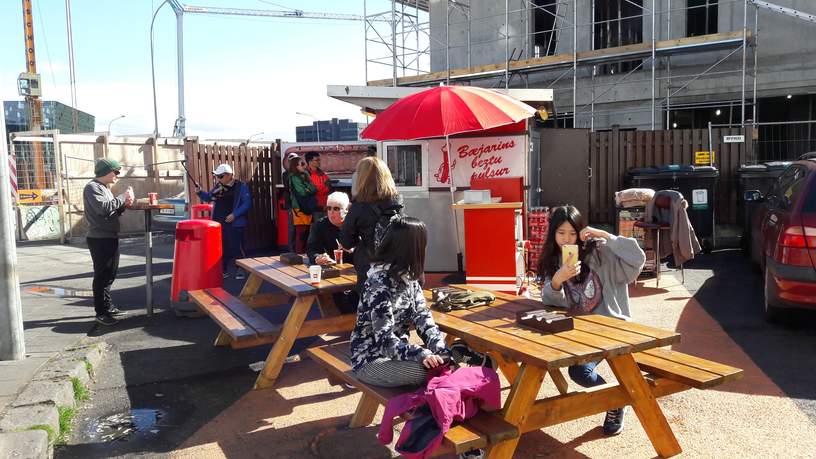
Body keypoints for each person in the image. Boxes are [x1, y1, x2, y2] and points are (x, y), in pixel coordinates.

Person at [538, 205, 646, 436]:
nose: (567, 239)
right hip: (580, 330)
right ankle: (615, 399)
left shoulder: (600, 252)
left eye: (572, 233)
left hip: (611, 326)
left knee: (579, 373)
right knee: (542, 355)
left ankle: (614, 403)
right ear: (553, 235)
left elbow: (638, 259)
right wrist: (557, 281)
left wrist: (606, 235)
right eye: (561, 233)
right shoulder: (556, 260)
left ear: (580, 232)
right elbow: (551, 302)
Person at [350, 217, 449, 387]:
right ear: (412, 248)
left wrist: (440, 349)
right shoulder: (379, 285)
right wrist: (422, 354)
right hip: (370, 360)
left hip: (398, 354)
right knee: (427, 371)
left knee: (443, 363)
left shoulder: (409, 278)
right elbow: (385, 341)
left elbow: (423, 318)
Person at [339, 156, 402, 291]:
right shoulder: (397, 203)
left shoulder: (358, 207)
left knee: (370, 307)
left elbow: (346, 241)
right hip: (396, 265)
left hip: (369, 269)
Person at [83, 158, 134, 326]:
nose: (117, 175)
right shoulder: (92, 188)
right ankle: (101, 312)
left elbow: (111, 212)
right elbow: (103, 208)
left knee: (110, 274)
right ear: (106, 171)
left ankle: (107, 306)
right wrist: (122, 197)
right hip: (99, 238)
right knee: (102, 276)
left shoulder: (104, 188)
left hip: (109, 235)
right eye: (116, 171)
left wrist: (123, 205)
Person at [197, 164, 252, 279]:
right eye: (217, 176)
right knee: (222, 248)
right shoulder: (219, 186)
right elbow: (208, 197)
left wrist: (234, 215)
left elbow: (247, 203)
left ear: (229, 175)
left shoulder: (241, 186)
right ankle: (223, 269)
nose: (218, 179)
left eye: (220, 176)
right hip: (219, 223)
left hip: (234, 222)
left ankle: (241, 269)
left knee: (237, 247)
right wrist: (199, 192)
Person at [306, 191, 357, 314]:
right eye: (328, 208)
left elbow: (369, 247)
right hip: (334, 272)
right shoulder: (320, 225)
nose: (331, 212)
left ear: (346, 209)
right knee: (341, 298)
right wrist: (318, 258)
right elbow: (312, 248)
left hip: (356, 269)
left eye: (336, 208)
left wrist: (355, 250)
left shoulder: (356, 225)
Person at [286, 156, 317, 253]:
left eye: (304, 163)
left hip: (307, 206)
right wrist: (308, 188)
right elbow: (302, 192)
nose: (304, 165)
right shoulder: (294, 177)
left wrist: (307, 188)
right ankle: (299, 255)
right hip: (299, 207)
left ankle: (303, 254)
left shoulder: (305, 174)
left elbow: (314, 189)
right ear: (296, 166)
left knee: (307, 232)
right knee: (301, 233)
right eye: (302, 164)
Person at [305, 151, 332, 221]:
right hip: (314, 208)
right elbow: (310, 190)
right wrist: (322, 187)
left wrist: (317, 188)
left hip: (325, 206)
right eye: (317, 160)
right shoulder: (305, 174)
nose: (319, 162)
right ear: (310, 162)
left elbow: (328, 186)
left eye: (319, 160)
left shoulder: (321, 173)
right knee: (315, 228)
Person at [282, 152, 300, 252]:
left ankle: (303, 250)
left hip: (303, 205)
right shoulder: (286, 174)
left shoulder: (303, 172)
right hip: (292, 205)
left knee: (303, 228)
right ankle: (292, 251)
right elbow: (290, 187)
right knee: (292, 229)